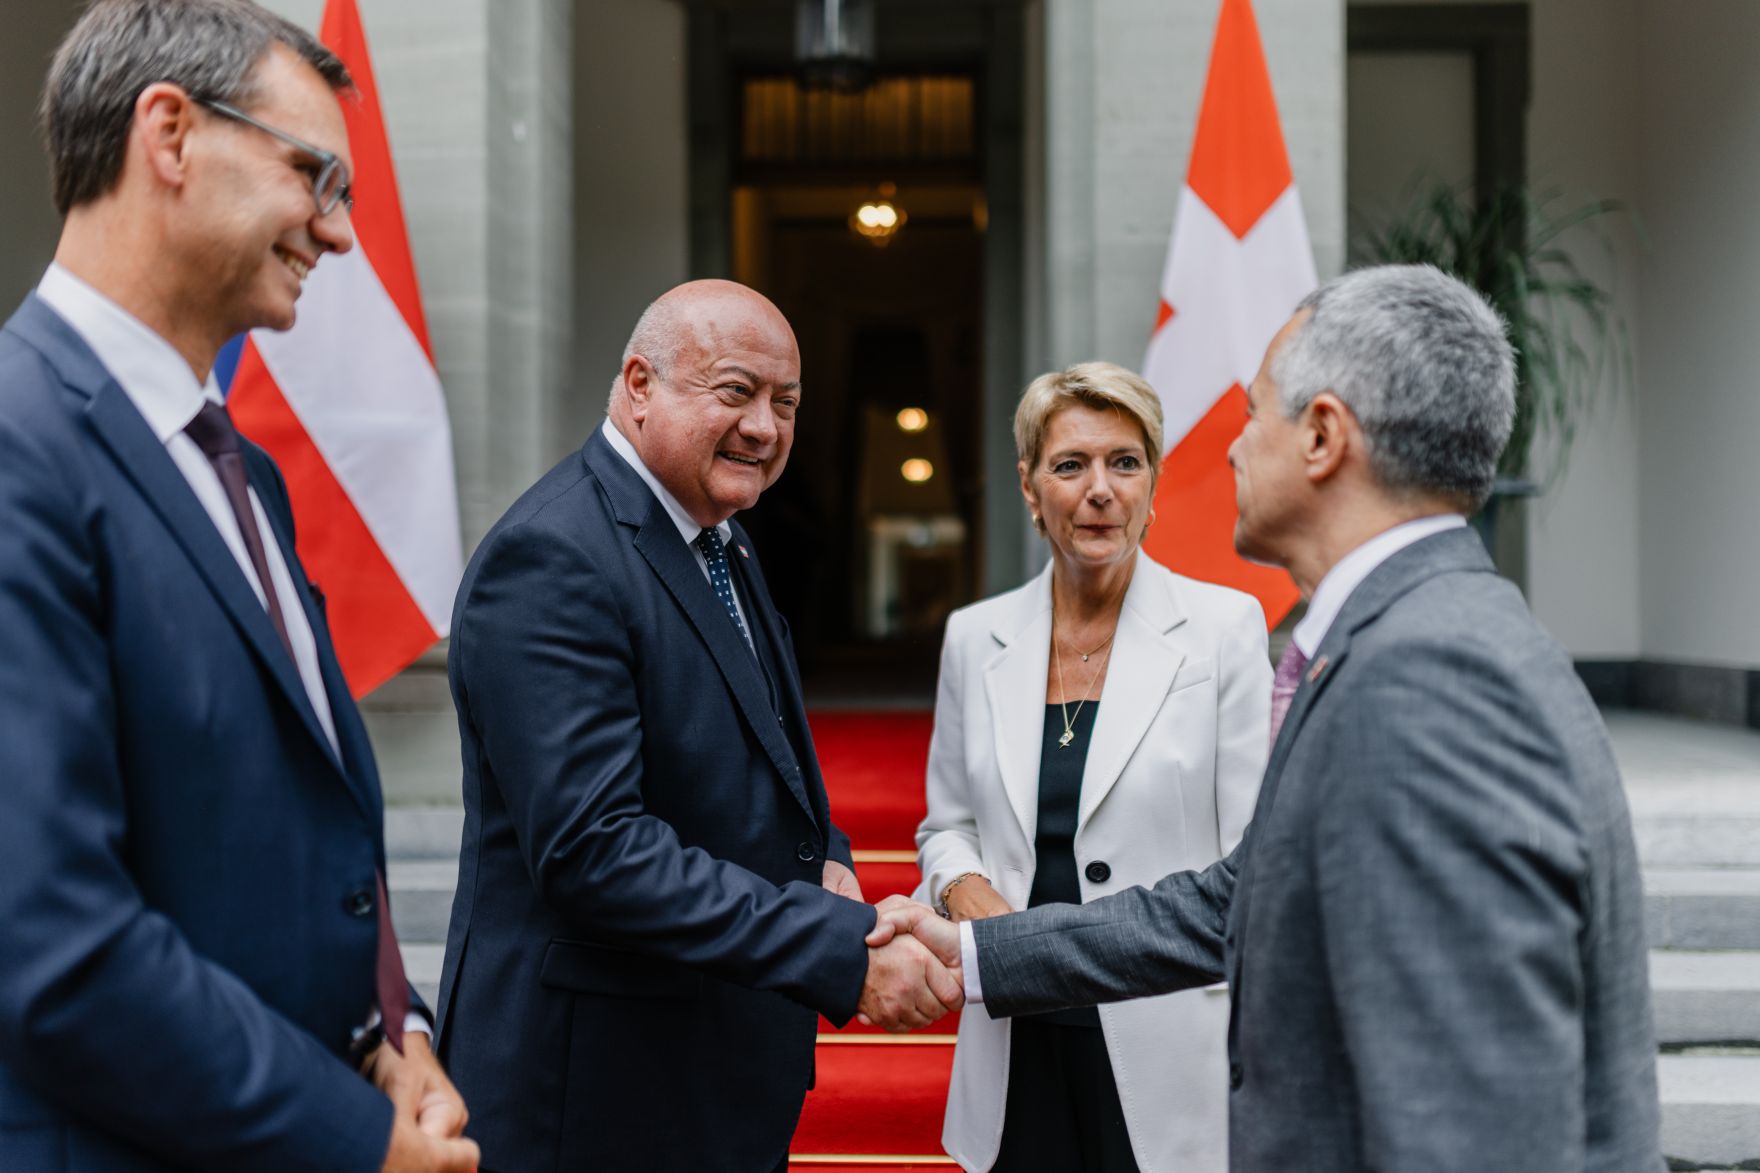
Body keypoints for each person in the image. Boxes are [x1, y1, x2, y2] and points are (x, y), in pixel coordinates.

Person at [875, 264, 1665, 1171]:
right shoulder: (1418, 633)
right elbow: (1233, 898)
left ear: (1322, 436)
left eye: (1253, 414)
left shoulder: (1427, 676)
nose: (1232, 450)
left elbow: (1470, 1103)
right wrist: (983, 946)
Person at [0, 2, 477, 1170]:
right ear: (169, 134)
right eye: (313, 175)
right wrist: (356, 1140)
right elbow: (53, 942)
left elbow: (305, 824)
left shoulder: (240, 470)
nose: (341, 233)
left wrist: (396, 1033)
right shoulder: (19, 447)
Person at [434, 279, 962, 1172]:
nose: (765, 427)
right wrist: (832, 947)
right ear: (640, 384)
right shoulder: (553, 556)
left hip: (702, 1074)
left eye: (786, 403)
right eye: (736, 392)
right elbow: (594, 851)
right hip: (592, 1099)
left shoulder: (720, 534)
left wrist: (827, 861)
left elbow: (758, 750)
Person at [914, 361, 1269, 1173]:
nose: (1099, 489)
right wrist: (962, 886)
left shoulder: (1224, 629)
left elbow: (1252, 859)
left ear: (1154, 482)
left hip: (1165, 1031)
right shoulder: (974, 635)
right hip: (1014, 1030)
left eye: (1125, 462)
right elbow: (947, 824)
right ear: (1030, 487)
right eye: (1070, 465)